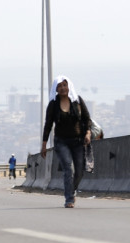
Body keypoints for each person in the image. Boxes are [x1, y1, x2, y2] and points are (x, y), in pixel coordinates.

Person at [41, 75, 92, 208]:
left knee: (80, 171)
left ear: (69, 86)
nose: (63, 88)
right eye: (60, 86)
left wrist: (88, 132)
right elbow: (48, 124)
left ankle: (72, 190)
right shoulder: (53, 104)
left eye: (65, 85)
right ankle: (69, 198)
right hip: (61, 141)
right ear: (56, 89)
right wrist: (44, 144)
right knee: (68, 169)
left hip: (78, 141)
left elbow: (87, 119)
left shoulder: (77, 101)